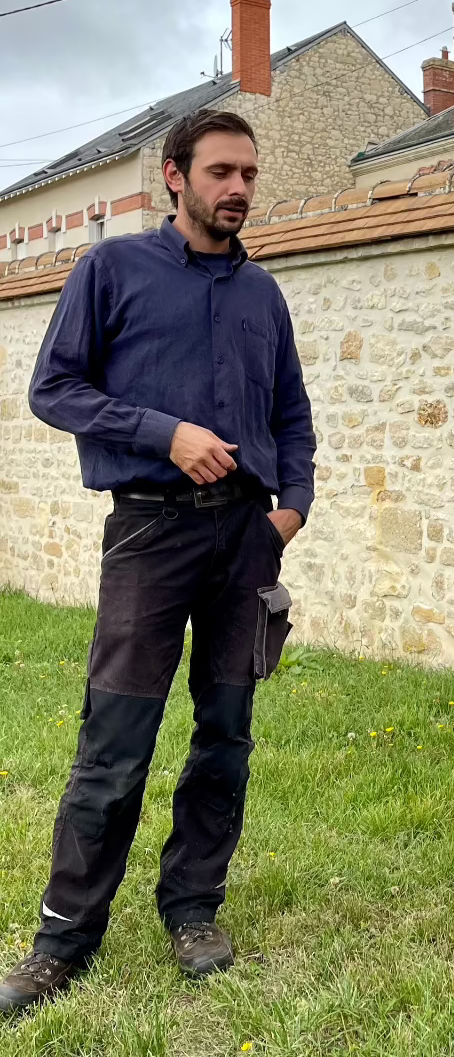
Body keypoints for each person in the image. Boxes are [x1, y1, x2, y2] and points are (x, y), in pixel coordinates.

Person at [0, 109, 316, 1015]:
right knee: (115, 744)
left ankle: (193, 907)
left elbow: (293, 414)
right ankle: (62, 939)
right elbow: (53, 389)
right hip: (146, 535)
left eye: (249, 173)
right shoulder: (111, 270)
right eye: (221, 172)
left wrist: (290, 508)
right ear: (174, 177)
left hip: (246, 540)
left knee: (225, 737)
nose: (239, 189)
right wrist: (164, 433)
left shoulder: (264, 296)